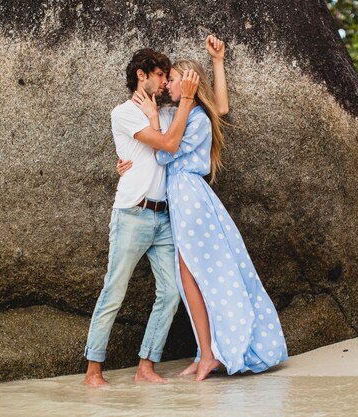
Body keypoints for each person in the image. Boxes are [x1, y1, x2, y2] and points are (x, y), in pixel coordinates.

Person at [120, 37, 289, 381]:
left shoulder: (195, 118)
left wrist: (214, 67)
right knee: (189, 281)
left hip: (190, 197)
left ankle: (210, 354)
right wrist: (126, 162)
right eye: (164, 78)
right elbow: (219, 108)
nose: (167, 83)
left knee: (193, 277)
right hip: (180, 199)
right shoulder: (175, 113)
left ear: (189, 83)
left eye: (174, 78)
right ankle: (205, 352)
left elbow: (167, 152)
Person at [83, 47, 200, 387]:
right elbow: (167, 144)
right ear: (141, 75)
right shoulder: (122, 113)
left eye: (167, 76)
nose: (165, 82)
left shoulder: (164, 112)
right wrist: (174, 112)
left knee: (171, 292)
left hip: (163, 217)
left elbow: (174, 133)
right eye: (161, 75)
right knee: (113, 292)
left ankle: (146, 366)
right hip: (132, 213)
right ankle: (93, 373)